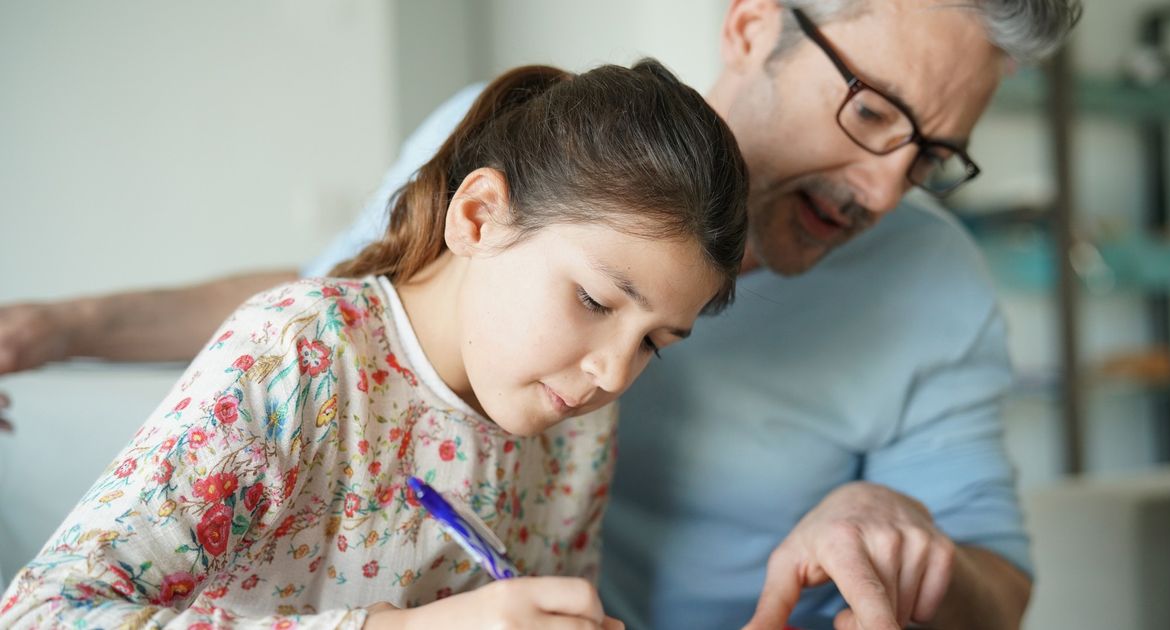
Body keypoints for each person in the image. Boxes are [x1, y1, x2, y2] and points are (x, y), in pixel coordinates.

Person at [0, 0, 1083, 628]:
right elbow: (325, 312)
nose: (890, 191)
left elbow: (999, 573)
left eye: (933, 156)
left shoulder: (577, 420)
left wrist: (898, 536)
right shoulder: (323, 341)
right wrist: (58, 330)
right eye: (874, 112)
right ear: (755, 28)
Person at [0, 60, 748, 629]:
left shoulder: (579, 422)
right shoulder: (301, 357)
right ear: (480, 217)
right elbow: (43, 615)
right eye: (593, 300)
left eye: (655, 341)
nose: (614, 372)